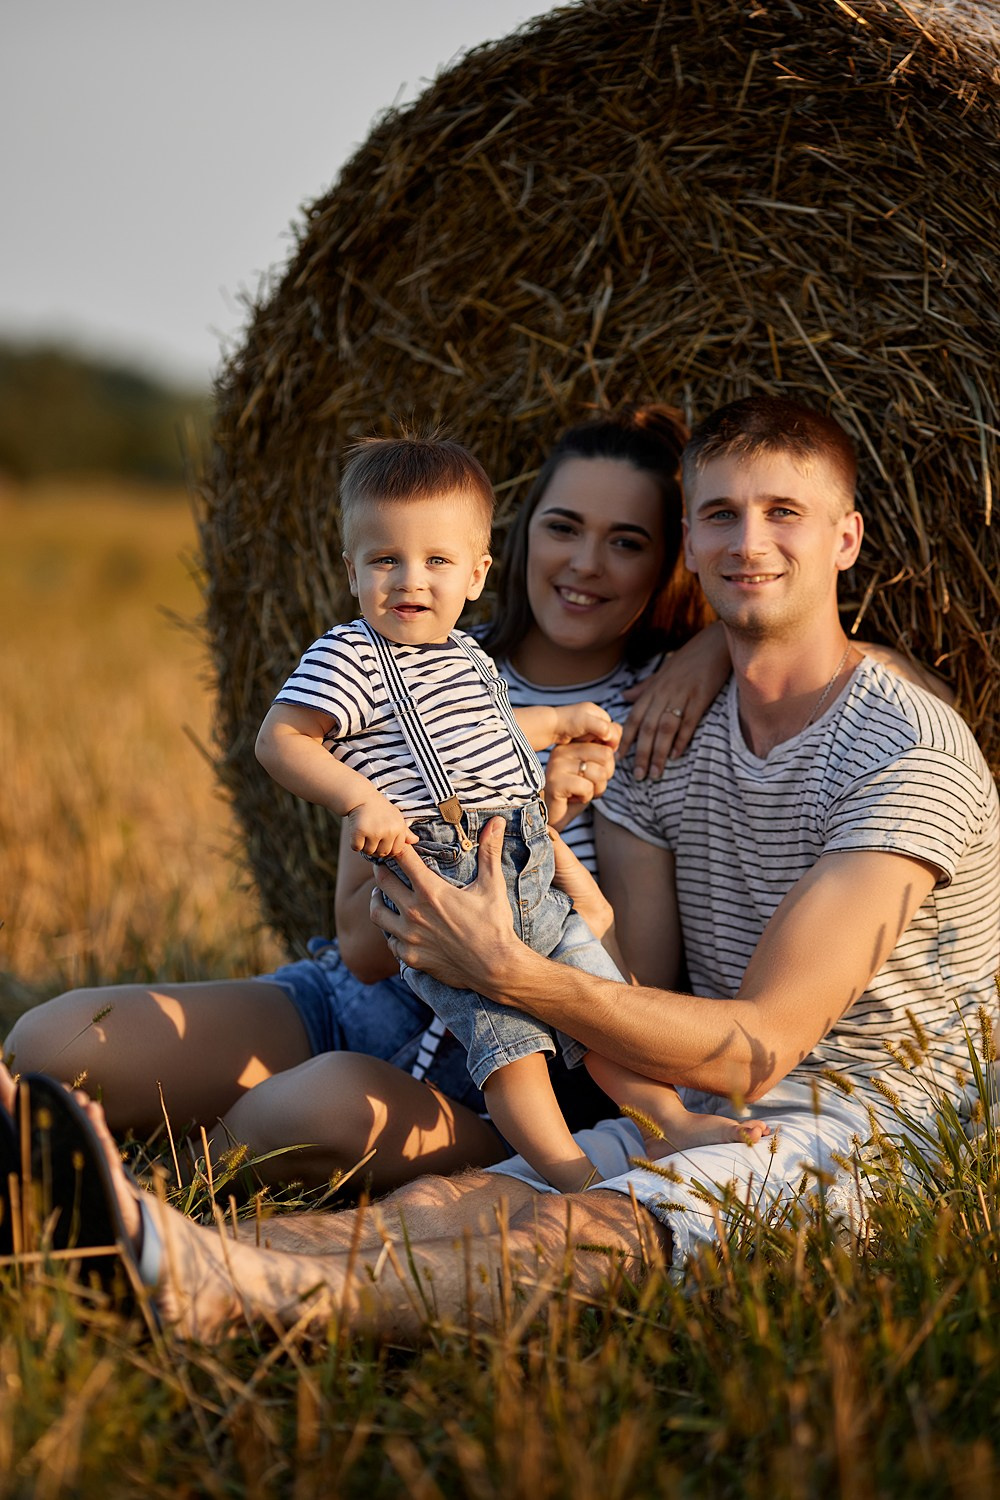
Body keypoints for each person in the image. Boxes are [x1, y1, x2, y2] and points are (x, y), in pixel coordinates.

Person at [2, 393, 994, 1342]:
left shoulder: (900, 755)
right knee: (449, 1202)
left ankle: (225, 1282)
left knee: (573, 1233)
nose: (748, 542)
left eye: (784, 514)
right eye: (720, 515)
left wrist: (507, 964)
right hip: (680, 1088)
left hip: (872, 1120)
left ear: (847, 539)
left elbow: (759, 1048)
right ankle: (157, 1248)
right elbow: (629, 977)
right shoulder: (661, 742)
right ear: (692, 542)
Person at [2, 406, 732, 1192]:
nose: (586, 561)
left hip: (502, 1074)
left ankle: (157, 1187)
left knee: (323, 1105)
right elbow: (360, 946)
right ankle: (108, 1149)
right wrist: (475, 818)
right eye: (563, 527)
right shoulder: (418, 665)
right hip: (359, 1000)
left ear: (671, 561)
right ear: (516, 544)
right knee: (51, 1041)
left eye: (627, 541)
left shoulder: (657, 718)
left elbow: (635, 990)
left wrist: (714, 643)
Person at [256, 435, 764, 1191]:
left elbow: (491, 742)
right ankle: (563, 1167)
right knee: (508, 1045)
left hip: (530, 868)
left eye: (626, 542)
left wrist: (711, 648)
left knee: (596, 1000)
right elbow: (283, 741)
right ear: (351, 570)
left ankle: (668, 1123)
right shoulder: (356, 656)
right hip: (434, 890)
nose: (410, 579)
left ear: (476, 569)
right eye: (385, 560)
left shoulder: (471, 661)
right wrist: (363, 800)